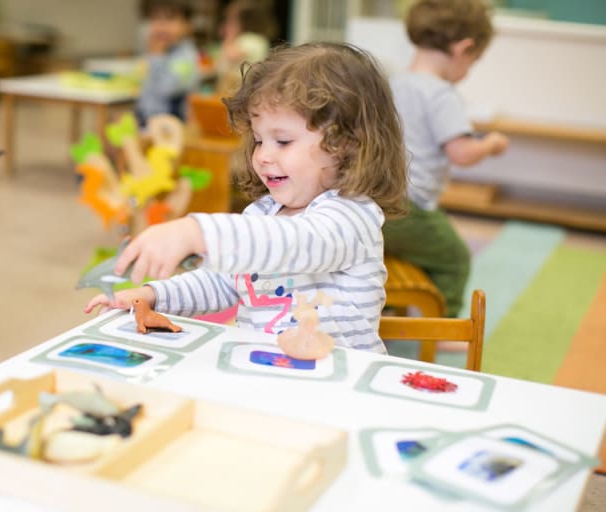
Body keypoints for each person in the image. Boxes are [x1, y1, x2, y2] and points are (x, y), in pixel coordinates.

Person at [86, 42, 406, 354]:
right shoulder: (262, 215)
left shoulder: (351, 216)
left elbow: (294, 244)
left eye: (282, 141)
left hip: (336, 392)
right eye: (257, 140)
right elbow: (222, 283)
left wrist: (195, 232)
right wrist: (152, 295)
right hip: (265, 375)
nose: (263, 155)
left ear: (346, 144)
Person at [383, 0, 509, 318]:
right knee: (454, 257)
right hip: (410, 207)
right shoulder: (441, 94)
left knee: (392, 254)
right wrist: (490, 144)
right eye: (473, 61)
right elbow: (461, 153)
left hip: (372, 200)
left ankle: (387, 308)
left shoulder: (392, 83)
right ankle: (444, 323)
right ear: (463, 49)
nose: (467, 72)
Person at [135, 0, 200, 126]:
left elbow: (168, 88)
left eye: (169, 19)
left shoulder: (185, 56)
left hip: (171, 124)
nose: (161, 26)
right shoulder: (159, 50)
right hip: (148, 119)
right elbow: (147, 86)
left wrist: (157, 57)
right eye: (155, 18)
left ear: (188, 26)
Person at [214, 0, 275, 95]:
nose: (227, 24)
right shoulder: (257, 39)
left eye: (232, 20)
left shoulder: (250, 39)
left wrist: (229, 35)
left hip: (239, 89)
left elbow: (230, 55)